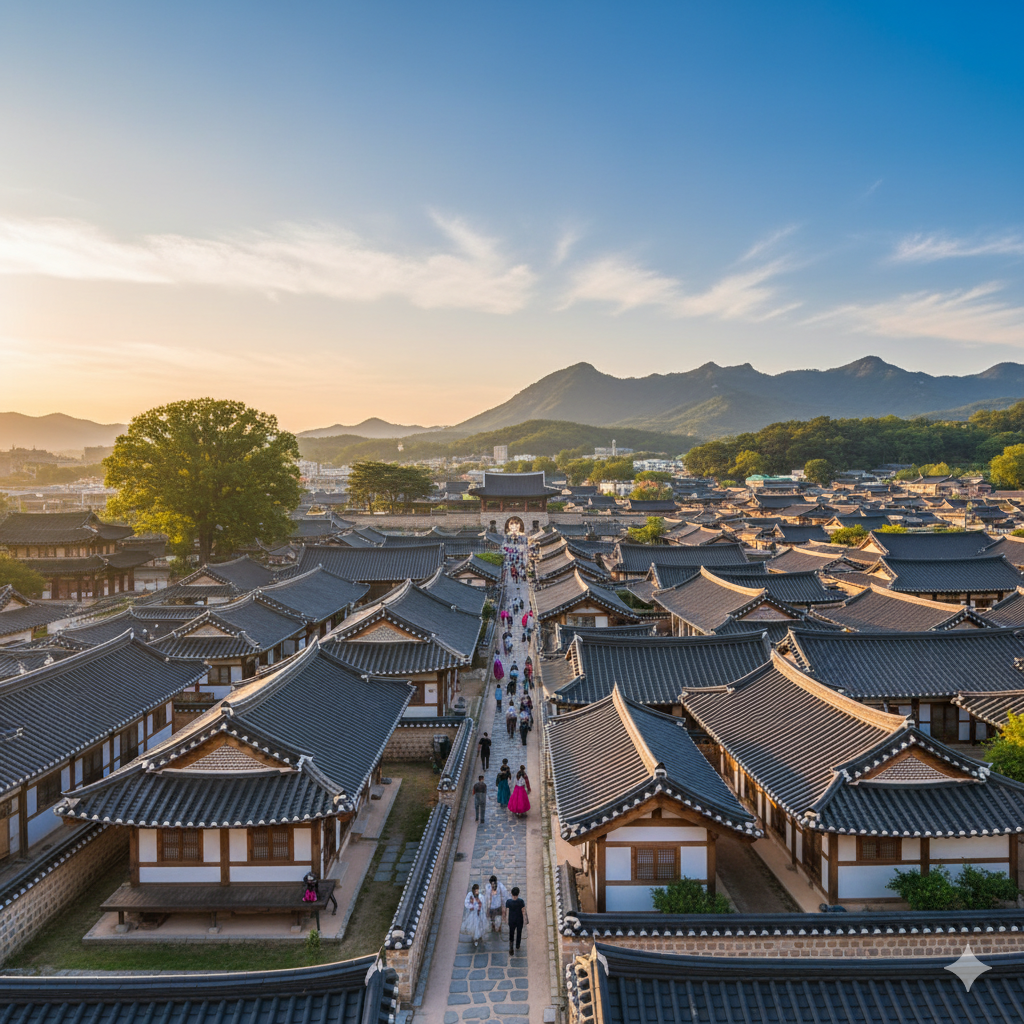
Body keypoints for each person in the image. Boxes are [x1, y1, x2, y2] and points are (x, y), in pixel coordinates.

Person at [505, 886, 527, 957]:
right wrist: (525, 919)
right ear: (518, 893)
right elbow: (523, 911)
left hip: (512, 920)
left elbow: (507, 912)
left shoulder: (508, 902)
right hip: (519, 920)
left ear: (511, 893)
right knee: (519, 933)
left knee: (511, 933)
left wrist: (506, 919)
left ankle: (511, 946)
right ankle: (517, 945)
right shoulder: (521, 901)